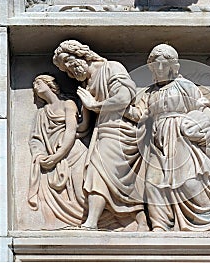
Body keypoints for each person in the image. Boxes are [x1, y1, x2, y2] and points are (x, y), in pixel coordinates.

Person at [125, 44, 210, 231]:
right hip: (156, 142)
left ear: (173, 66)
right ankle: (159, 225)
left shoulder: (185, 86)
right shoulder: (149, 93)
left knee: (189, 180)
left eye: (164, 65)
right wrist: (116, 104)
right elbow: (139, 114)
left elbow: (202, 110)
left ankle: (209, 220)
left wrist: (201, 129)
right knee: (152, 183)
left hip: (180, 138)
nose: (160, 69)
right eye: (156, 66)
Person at [53, 40, 147, 230]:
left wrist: (94, 105)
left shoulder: (112, 67)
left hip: (121, 130)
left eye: (69, 63)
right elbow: (84, 126)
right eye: (66, 71)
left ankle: (92, 222)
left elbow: (123, 98)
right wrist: (60, 130)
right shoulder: (87, 86)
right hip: (103, 133)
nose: (70, 72)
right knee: (109, 178)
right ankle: (141, 221)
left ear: (81, 55)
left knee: (99, 172)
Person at [28, 74, 87, 226]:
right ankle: (51, 222)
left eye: (38, 82)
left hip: (72, 153)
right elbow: (35, 138)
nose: (35, 86)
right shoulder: (42, 113)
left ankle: (96, 219)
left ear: (51, 85)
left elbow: (71, 131)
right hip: (51, 157)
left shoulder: (68, 104)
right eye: (34, 84)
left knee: (81, 192)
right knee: (44, 187)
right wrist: (40, 155)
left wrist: (59, 155)